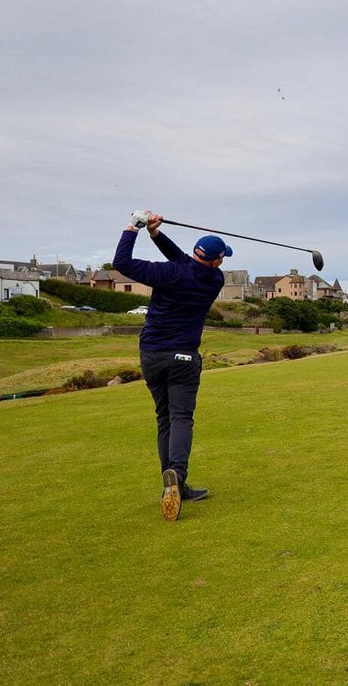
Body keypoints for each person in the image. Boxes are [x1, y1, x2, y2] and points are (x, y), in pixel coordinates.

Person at [113, 210, 231, 521]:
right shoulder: (214, 279)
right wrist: (155, 234)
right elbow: (183, 262)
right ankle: (176, 476)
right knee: (181, 418)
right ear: (216, 262)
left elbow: (122, 262)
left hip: (152, 356)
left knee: (164, 419)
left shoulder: (169, 273)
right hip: (184, 359)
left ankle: (174, 484)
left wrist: (133, 228)